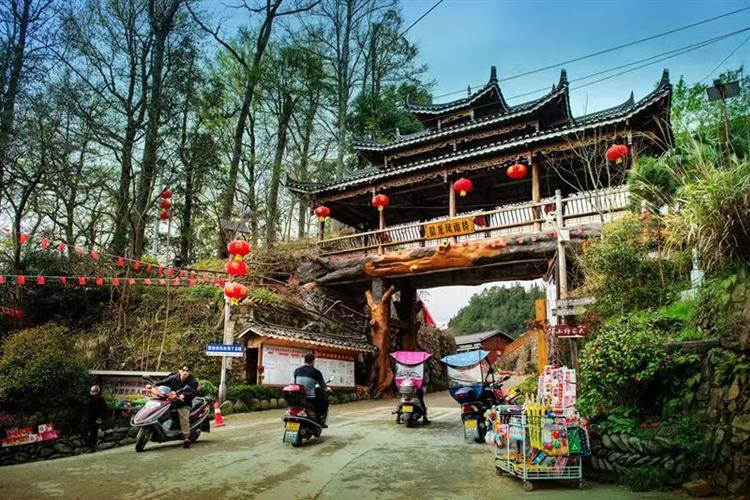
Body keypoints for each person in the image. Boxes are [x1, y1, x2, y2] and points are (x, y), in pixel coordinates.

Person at [150, 364, 198, 448]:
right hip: (172, 402)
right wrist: (154, 385)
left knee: (184, 417)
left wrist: (184, 395)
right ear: (179, 370)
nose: (185, 372)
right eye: (183, 370)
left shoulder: (193, 381)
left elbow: (193, 392)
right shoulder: (174, 378)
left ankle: (186, 437)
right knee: (160, 411)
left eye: (187, 371)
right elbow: (164, 382)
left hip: (184, 403)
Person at [293, 353, 329, 426]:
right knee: (325, 402)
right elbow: (323, 387)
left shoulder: (297, 370)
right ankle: (320, 420)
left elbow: (295, 383)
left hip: (298, 398)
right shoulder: (316, 372)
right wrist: (327, 389)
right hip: (310, 398)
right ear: (313, 361)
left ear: (304, 360)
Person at [81, 385, 108, 452]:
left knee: (94, 434)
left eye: (94, 391)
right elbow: (84, 405)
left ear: (97, 392)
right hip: (87, 419)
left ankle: (93, 447)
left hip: (95, 419)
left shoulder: (100, 399)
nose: (92, 392)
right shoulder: (88, 398)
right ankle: (91, 445)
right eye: (92, 391)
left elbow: (104, 409)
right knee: (84, 433)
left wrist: (101, 418)